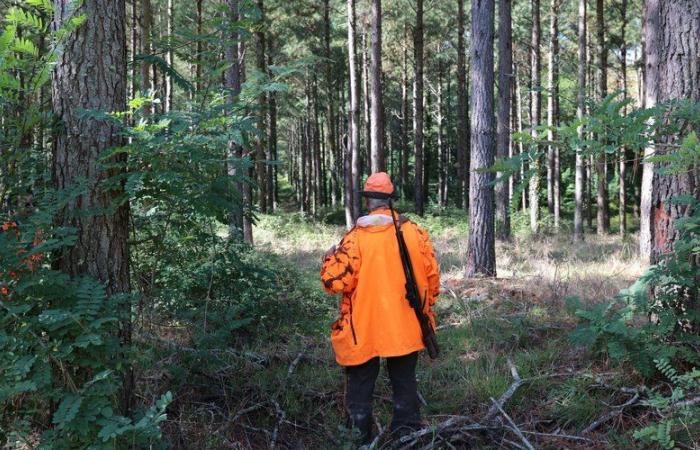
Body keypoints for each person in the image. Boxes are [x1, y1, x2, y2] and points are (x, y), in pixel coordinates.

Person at [320, 172, 440, 445]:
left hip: (364, 329)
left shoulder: (354, 239)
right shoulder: (415, 232)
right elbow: (432, 279)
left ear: (368, 202)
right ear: (390, 199)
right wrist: (425, 307)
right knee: (405, 383)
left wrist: (328, 258)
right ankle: (407, 437)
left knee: (360, 388)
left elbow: (334, 282)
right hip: (407, 327)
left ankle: (357, 440)